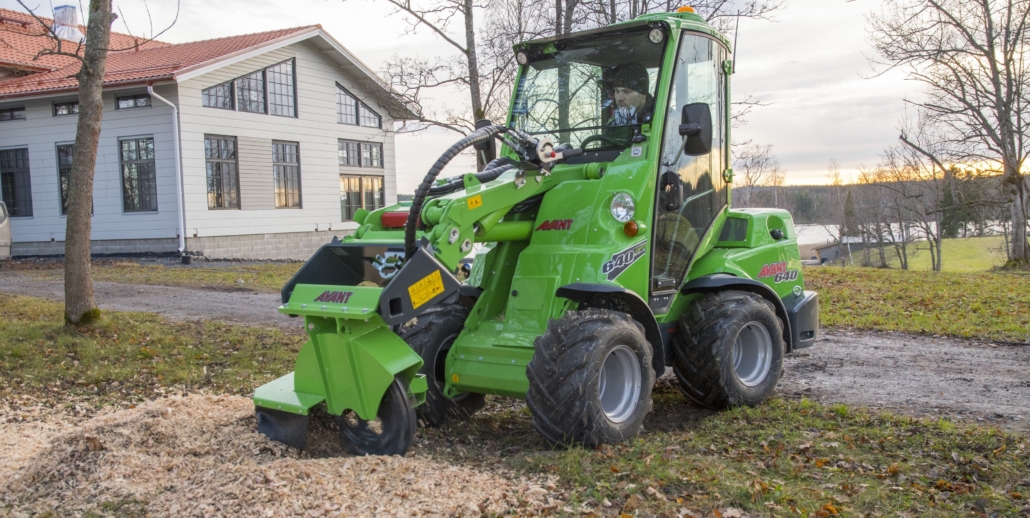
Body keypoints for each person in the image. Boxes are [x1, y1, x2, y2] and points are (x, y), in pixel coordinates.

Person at [609, 62, 655, 126]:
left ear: (643, 94)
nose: (619, 98)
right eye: (617, 91)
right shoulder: (614, 122)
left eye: (626, 91)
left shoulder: (665, 118)